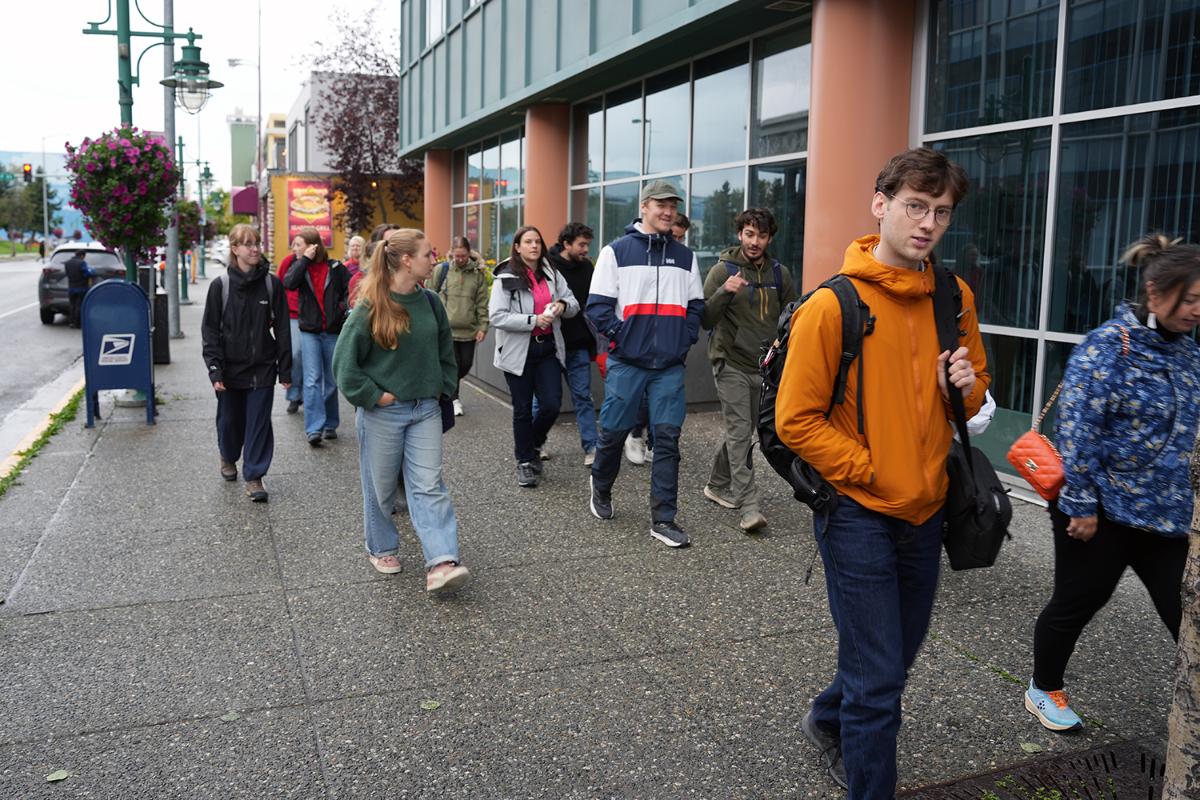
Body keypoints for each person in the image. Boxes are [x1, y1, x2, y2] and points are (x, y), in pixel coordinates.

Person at [775, 147, 988, 797]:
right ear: (881, 205)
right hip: (856, 515)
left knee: (894, 657)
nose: (927, 223)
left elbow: (976, 398)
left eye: (941, 212)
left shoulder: (953, 296)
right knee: (879, 684)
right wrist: (867, 469)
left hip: (927, 512)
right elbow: (795, 420)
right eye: (915, 207)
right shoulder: (832, 305)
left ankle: (827, 715)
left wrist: (966, 385)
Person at [1025, 234, 1200, 734]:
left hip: (1165, 515)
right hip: (1099, 512)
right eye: (1188, 298)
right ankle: (1044, 688)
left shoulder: (1187, 353)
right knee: (1078, 602)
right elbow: (1078, 430)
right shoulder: (1109, 347)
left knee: (1184, 609)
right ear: (1154, 290)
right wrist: (1080, 505)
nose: (1196, 309)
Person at [331, 228, 469, 592]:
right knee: (380, 488)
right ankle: (381, 547)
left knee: (428, 484)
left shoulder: (431, 302)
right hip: (383, 414)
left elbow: (445, 354)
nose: (434, 259)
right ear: (407, 260)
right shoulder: (370, 305)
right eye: (428, 253)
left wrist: (445, 388)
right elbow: (345, 365)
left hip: (425, 409)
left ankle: (441, 561)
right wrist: (373, 396)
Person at [586, 180, 704, 548]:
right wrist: (624, 337)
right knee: (614, 433)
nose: (668, 211)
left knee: (667, 440)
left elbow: (696, 306)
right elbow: (598, 307)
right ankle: (601, 488)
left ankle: (664, 519)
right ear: (645, 206)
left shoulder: (685, 257)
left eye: (673, 205)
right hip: (628, 363)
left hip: (669, 366)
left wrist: (682, 340)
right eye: (661, 204)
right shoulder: (616, 252)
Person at [701, 207, 797, 531]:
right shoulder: (721, 271)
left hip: (765, 367)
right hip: (729, 361)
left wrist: (783, 351)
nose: (755, 241)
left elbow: (790, 319)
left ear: (770, 237)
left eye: (762, 235)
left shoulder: (780, 274)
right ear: (740, 233)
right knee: (742, 435)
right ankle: (749, 508)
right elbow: (705, 319)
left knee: (739, 431)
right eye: (749, 233)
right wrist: (724, 292)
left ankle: (716, 484)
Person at [200, 224, 291, 502]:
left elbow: (284, 329)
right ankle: (228, 456)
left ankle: (254, 477)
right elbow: (210, 331)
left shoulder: (271, 284)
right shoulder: (221, 286)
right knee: (229, 422)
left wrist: (286, 370)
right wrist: (215, 369)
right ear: (235, 249)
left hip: (262, 368)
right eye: (247, 244)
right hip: (228, 370)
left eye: (257, 243)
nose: (254, 249)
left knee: (259, 424)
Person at [489, 225, 580, 488]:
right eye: (528, 242)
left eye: (538, 241)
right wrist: (534, 319)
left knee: (552, 404)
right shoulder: (506, 277)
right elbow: (497, 316)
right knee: (523, 410)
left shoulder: (551, 272)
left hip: (548, 347)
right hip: (519, 351)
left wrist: (562, 305)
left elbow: (573, 303)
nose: (534, 246)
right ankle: (525, 462)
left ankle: (534, 443)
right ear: (517, 247)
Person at [281, 227, 351, 446]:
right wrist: (303, 261)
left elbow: (351, 289)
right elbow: (288, 282)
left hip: (331, 331)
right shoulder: (299, 266)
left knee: (331, 381)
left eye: (298, 244)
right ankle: (314, 428)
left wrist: (342, 308)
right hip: (309, 331)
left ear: (313, 245)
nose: (295, 249)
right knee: (312, 380)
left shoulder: (336, 268)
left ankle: (330, 424)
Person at [546, 222, 600, 465]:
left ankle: (592, 447)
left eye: (587, 244)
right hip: (550, 344)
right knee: (545, 400)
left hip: (578, 345)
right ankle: (538, 444)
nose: (586, 249)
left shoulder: (587, 267)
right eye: (581, 245)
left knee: (583, 397)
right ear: (566, 244)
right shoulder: (547, 266)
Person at [431, 237, 490, 417]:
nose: (460, 259)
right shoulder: (442, 270)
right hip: (446, 329)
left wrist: (483, 326)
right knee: (454, 365)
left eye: (463, 256)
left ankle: (447, 390)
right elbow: (430, 294)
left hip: (469, 329)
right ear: (451, 253)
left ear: (469, 253)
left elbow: (481, 302)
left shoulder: (477, 274)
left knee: (465, 364)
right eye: (456, 256)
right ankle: (454, 399)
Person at [277, 236, 307, 414]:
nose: (295, 248)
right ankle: (294, 394)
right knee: (295, 354)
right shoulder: (288, 262)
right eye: (294, 245)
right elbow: (279, 285)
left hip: (313, 317)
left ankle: (306, 394)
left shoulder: (313, 262)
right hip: (293, 315)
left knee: (309, 358)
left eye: (299, 245)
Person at [64, 251, 94, 328]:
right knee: (79, 305)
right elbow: (87, 274)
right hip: (81, 288)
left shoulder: (67, 263)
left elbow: (67, 274)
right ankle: (77, 323)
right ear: (82, 255)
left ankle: (71, 322)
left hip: (71, 288)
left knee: (72, 305)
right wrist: (92, 271)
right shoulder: (82, 263)